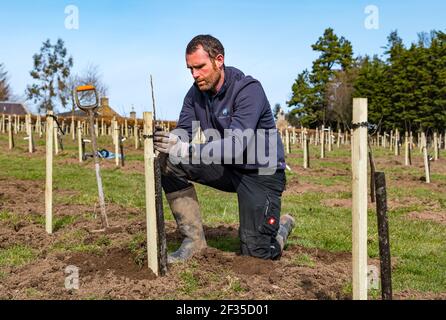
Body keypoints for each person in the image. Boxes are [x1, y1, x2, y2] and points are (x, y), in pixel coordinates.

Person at [154, 35, 295, 264]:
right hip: (227, 168)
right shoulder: (194, 93)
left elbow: (235, 146)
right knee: (168, 162)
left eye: (200, 67)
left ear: (219, 60)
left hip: (261, 172)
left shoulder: (248, 90)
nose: (195, 75)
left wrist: (186, 148)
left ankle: (280, 230)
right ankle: (194, 242)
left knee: (256, 254)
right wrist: (169, 140)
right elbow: (184, 131)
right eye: (190, 69)